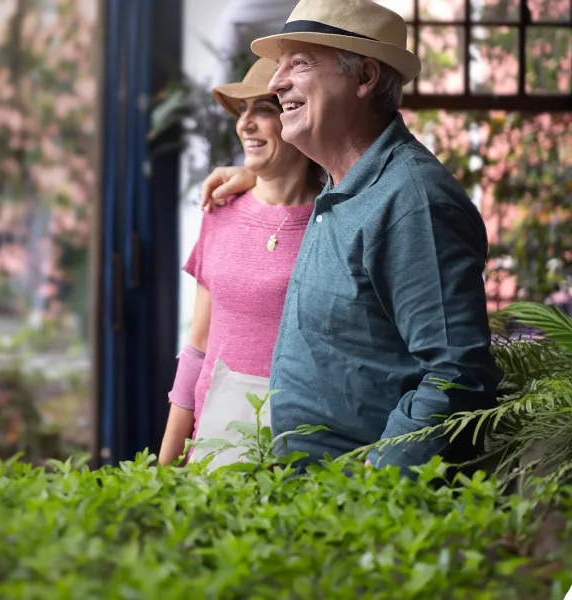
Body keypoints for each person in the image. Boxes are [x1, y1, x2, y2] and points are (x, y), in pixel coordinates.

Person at [199, 0, 503, 473]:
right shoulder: (341, 186)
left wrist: (369, 488)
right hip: (312, 498)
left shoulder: (413, 202)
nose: (276, 82)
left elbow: (456, 379)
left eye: (299, 63)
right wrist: (252, 174)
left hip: (363, 504)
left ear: (364, 76)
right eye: (280, 66)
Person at [158, 58, 323, 466]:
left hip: (297, 455)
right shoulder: (221, 210)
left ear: (296, 118)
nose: (244, 124)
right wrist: (166, 465)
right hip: (213, 448)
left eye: (262, 110)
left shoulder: (333, 220)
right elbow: (197, 347)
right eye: (242, 111)